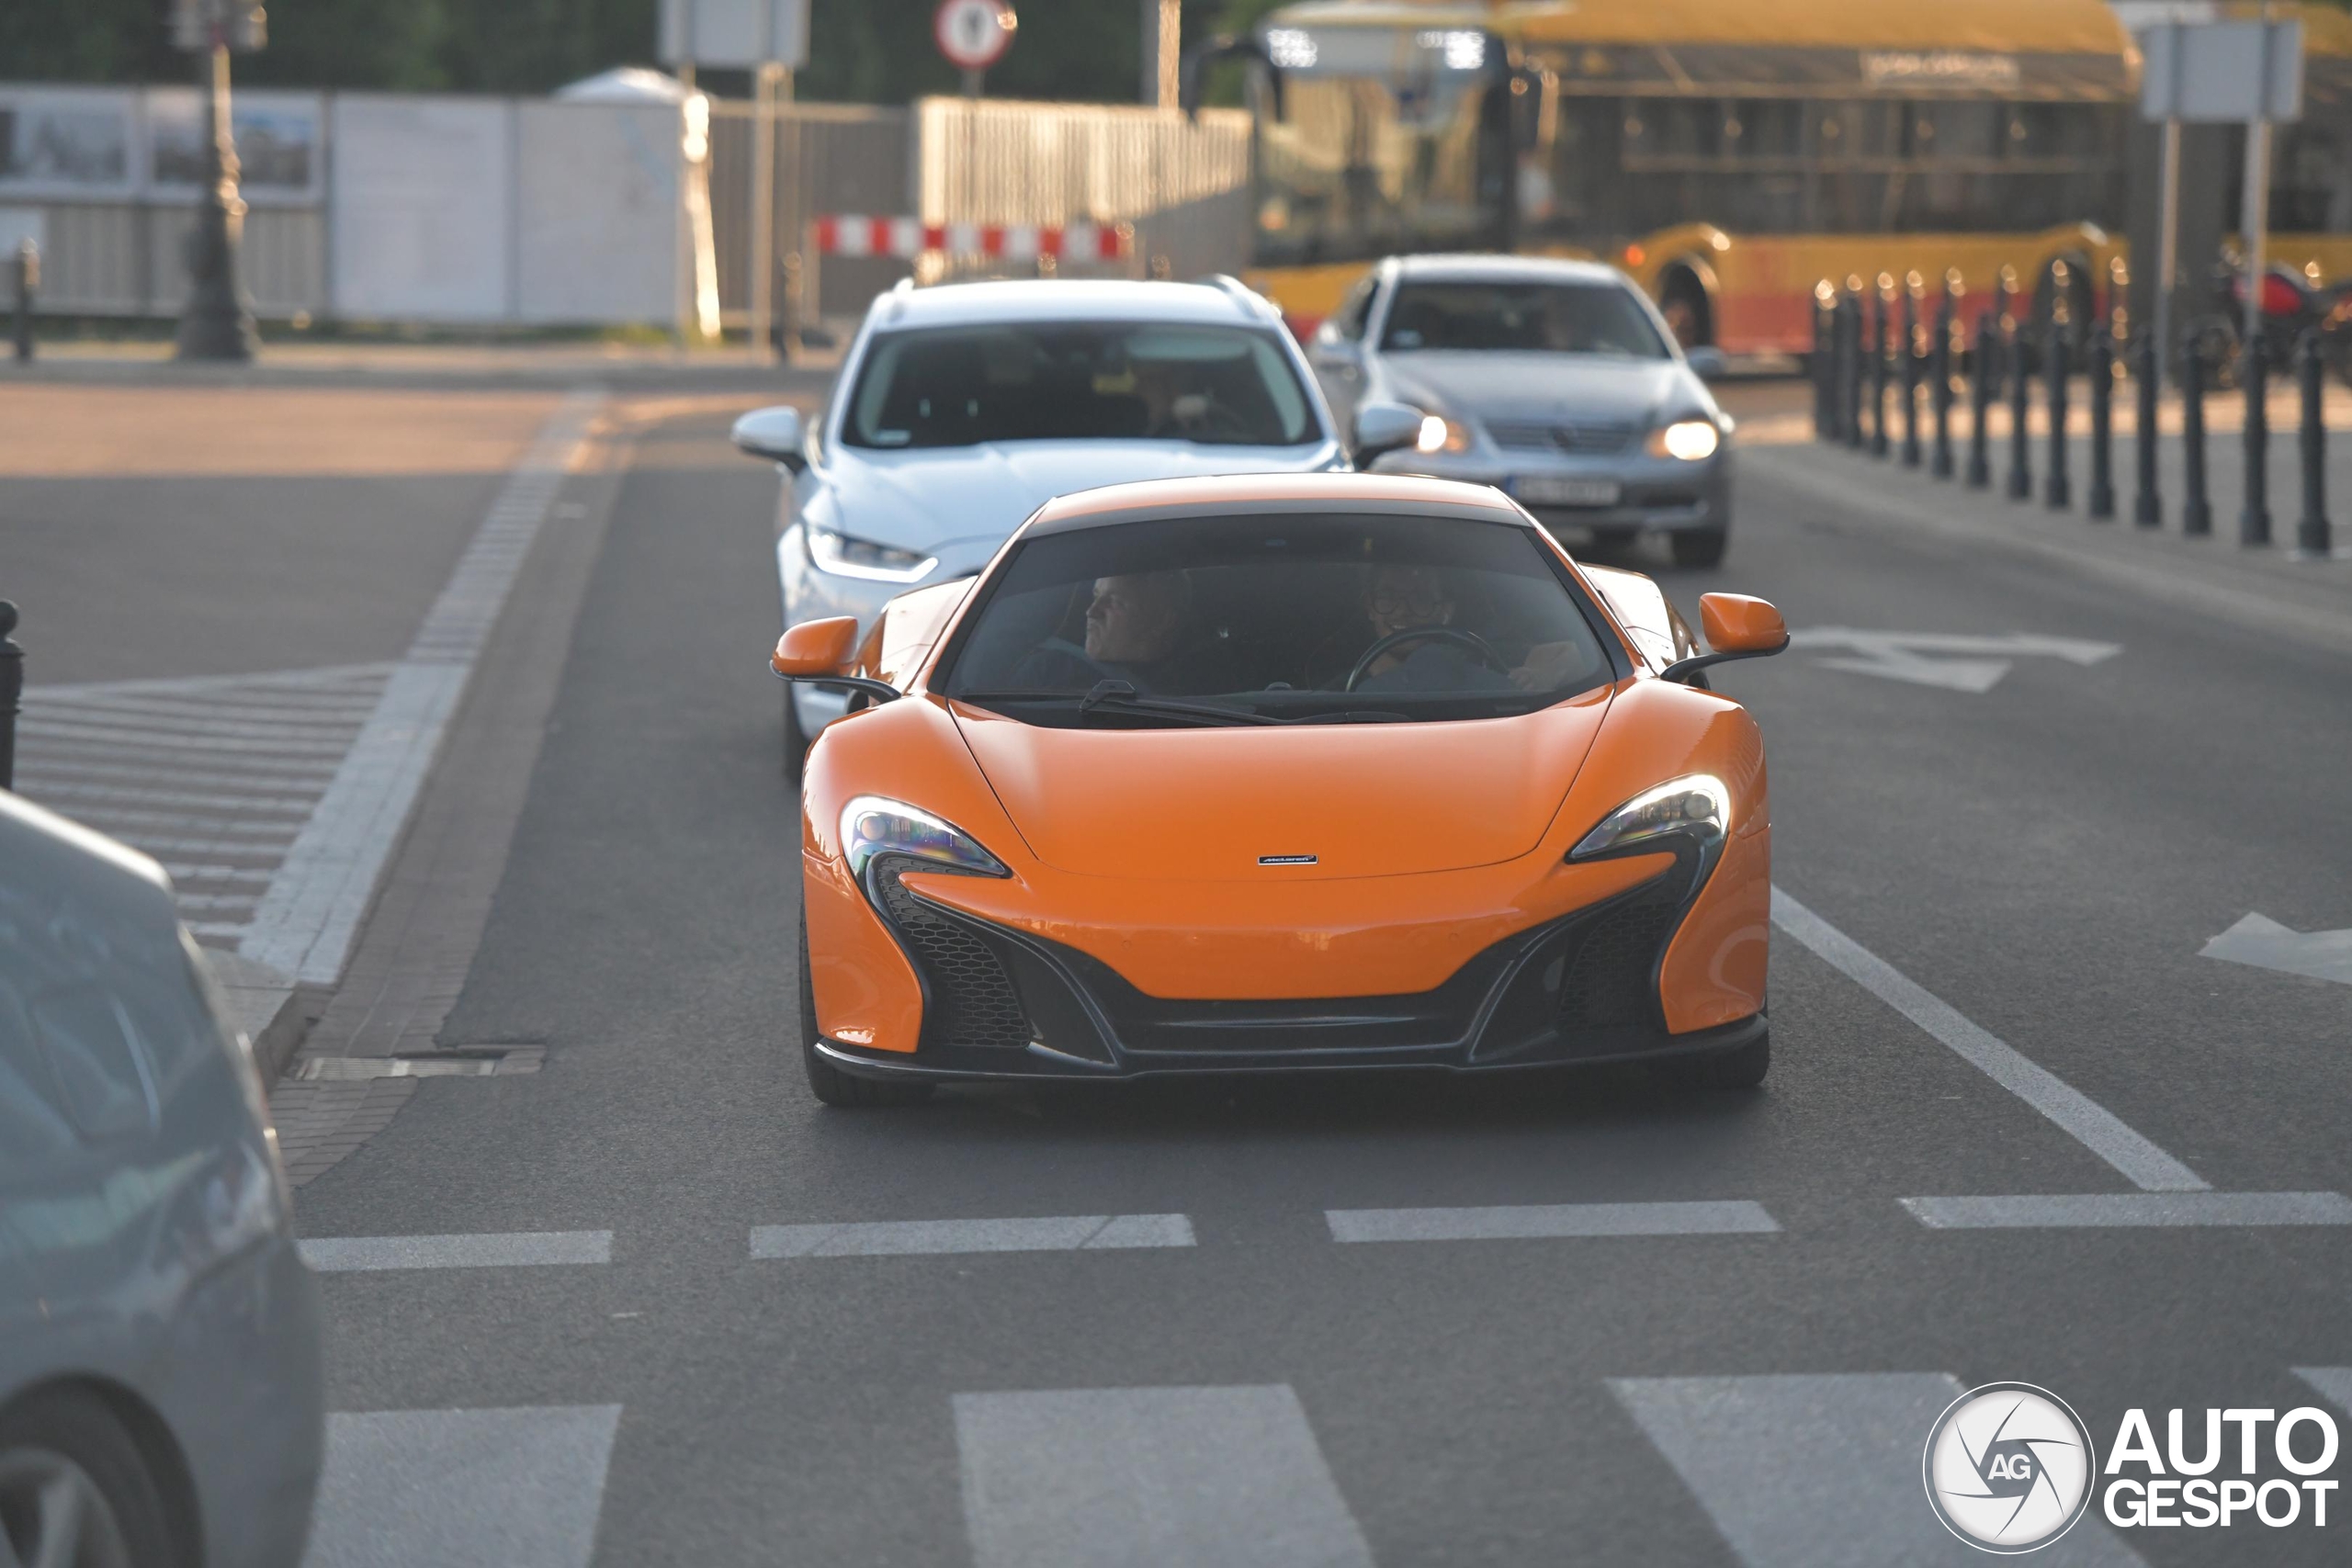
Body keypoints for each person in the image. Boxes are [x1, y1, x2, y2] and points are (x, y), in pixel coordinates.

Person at [1346, 563, 1593, 694]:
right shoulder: (1338, 682)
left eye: (1420, 598)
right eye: (1388, 597)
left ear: (1445, 611)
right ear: (1369, 606)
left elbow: (1580, 654)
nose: (1402, 610)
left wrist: (1540, 676)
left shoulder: (1484, 656)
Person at [1011, 570, 1208, 692]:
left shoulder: (1199, 683)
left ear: (1163, 621)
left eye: (1114, 602)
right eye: (1096, 596)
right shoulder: (1048, 672)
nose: (1091, 612)